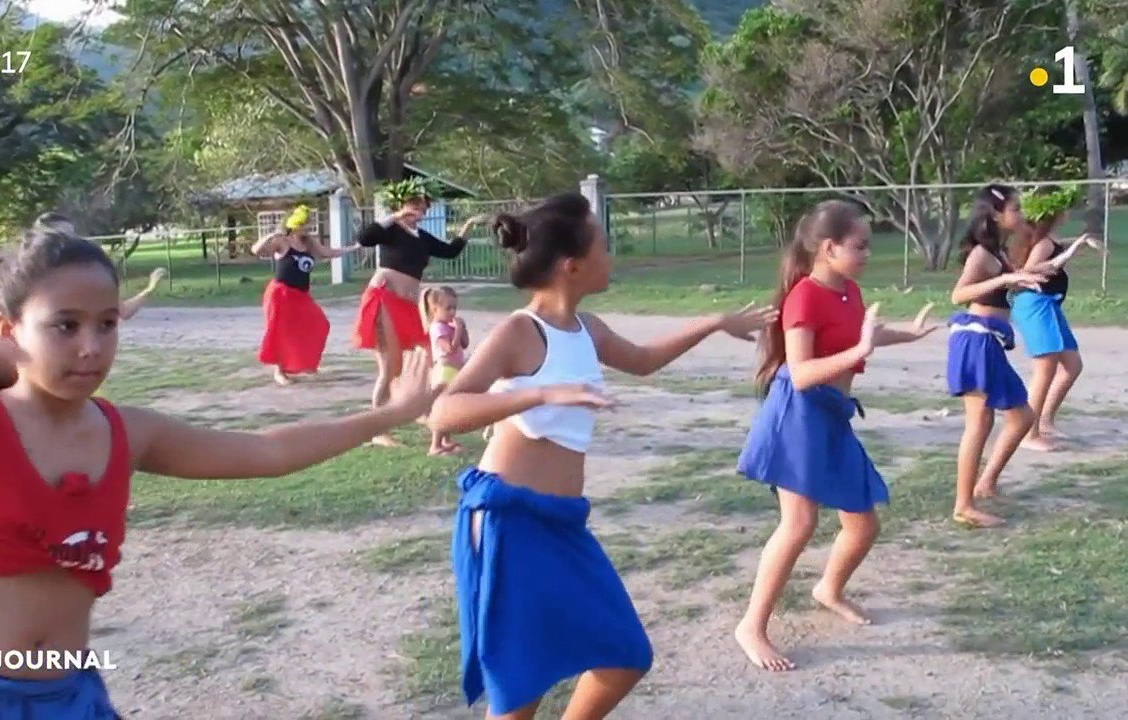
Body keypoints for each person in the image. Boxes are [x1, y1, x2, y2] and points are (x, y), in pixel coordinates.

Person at [0, 228, 437, 719]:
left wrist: (386, 416)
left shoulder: (127, 433)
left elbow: (265, 452)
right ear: (7, 330)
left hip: (62, 694)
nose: (91, 348)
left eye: (106, 324)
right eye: (65, 326)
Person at [427, 192, 777, 720]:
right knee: (521, 689)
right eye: (605, 249)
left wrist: (710, 322)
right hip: (509, 521)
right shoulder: (521, 331)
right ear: (572, 266)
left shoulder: (587, 329)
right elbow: (444, 413)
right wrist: (539, 394)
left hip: (562, 523)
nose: (612, 259)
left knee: (624, 655)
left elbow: (641, 360)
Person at [733, 200, 939, 672]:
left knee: (863, 524)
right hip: (798, 414)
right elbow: (802, 373)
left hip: (832, 416)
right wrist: (861, 349)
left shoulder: (849, 290)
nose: (868, 253)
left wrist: (907, 333)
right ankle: (752, 625)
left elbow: (860, 335)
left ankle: (828, 588)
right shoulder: (803, 296)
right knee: (799, 524)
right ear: (829, 248)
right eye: (859, 246)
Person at [352, 178, 486, 447]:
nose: (419, 211)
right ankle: (377, 429)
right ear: (401, 205)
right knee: (389, 367)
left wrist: (468, 226)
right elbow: (365, 237)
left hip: (407, 306)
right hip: (385, 300)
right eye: (414, 205)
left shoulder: (421, 236)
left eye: (422, 207)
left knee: (426, 358)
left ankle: (420, 411)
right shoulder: (391, 230)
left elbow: (450, 251)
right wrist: (396, 216)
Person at [946, 185, 1049, 528]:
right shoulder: (981, 254)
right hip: (975, 340)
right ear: (995, 215)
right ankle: (963, 505)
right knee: (979, 423)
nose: (1020, 215)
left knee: (1021, 417)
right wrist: (1006, 277)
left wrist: (1024, 277)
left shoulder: (998, 251)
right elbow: (958, 294)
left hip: (988, 342)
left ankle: (985, 483)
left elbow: (1005, 284)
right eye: (1015, 209)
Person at [1007, 188, 1102, 450]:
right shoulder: (1045, 243)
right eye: (1064, 208)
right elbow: (1027, 271)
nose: (1068, 212)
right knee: (1045, 367)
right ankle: (1029, 434)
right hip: (1034, 304)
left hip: (1048, 304)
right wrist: (1068, 254)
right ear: (1055, 213)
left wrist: (1080, 241)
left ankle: (1045, 420)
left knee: (1072, 364)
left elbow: (1053, 247)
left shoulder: (1046, 238)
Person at [252, 205, 363, 386]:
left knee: (320, 324)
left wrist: (353, 248)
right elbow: (256, 250)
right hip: (281, 293)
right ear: (293, 224)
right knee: (280, 330)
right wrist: (270, 235)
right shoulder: (282, 241)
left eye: (307, 224)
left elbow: (327, 253)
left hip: (301, 295)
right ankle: (280, 371)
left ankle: (301, 362)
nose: (307, 227)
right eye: (303, 224)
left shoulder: (309, 243)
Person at [33, 212, 167, 321]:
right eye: (64, 236)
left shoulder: (85, 275)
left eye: (72, 236)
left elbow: (123, 311)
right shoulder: (27, 280)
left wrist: (150, 289)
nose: (71, 242)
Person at [419, 285, 470, 455]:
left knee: (450, 406)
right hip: (445, 370)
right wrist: (458, 330)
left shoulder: (450, 326)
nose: (453, 312)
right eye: (448, 308)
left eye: (455, 308)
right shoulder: (438, 327)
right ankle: (435, 445)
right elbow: (449, 349)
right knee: (442, 406)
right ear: (434, 309)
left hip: (455, 369)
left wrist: (462, 329)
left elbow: (464, 344)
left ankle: (446, 440)